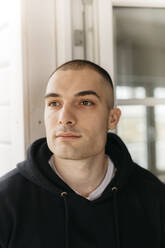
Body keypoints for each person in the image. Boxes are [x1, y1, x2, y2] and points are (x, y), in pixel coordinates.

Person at [0, 59, 165, 248]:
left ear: (112, 119)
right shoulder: (6, 202)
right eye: (54, 103)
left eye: (85, 102)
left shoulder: (154, 198)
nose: (65, 118)